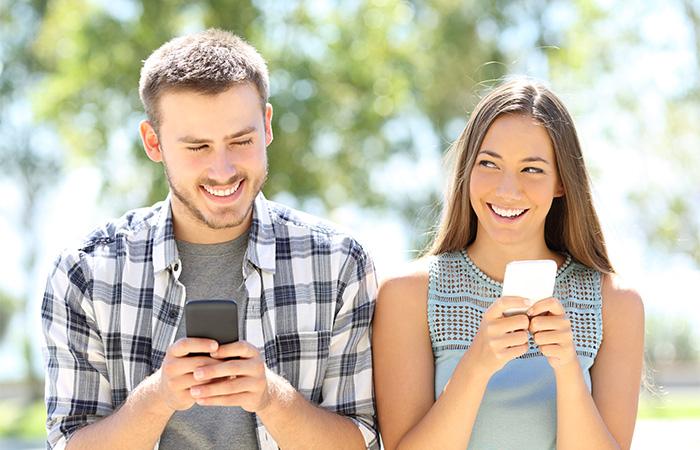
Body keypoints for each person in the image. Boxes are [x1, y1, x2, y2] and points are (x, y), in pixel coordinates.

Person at [42, 29, 378, 450]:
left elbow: (361, 442)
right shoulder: (86, 272)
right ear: (153, 142)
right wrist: (159, 397)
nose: (223, 170)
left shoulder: (339, 263)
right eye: (197, 147)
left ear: (267, 125)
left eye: (241, 141)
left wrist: (271, 398)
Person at [373, 79, 644, 450]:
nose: (507, 190)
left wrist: (567, 371)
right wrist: (476, 365)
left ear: (562, 182)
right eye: (489, 163)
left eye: (531, 169)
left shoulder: (616, 304)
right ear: (467, 169)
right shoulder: (407, 295)